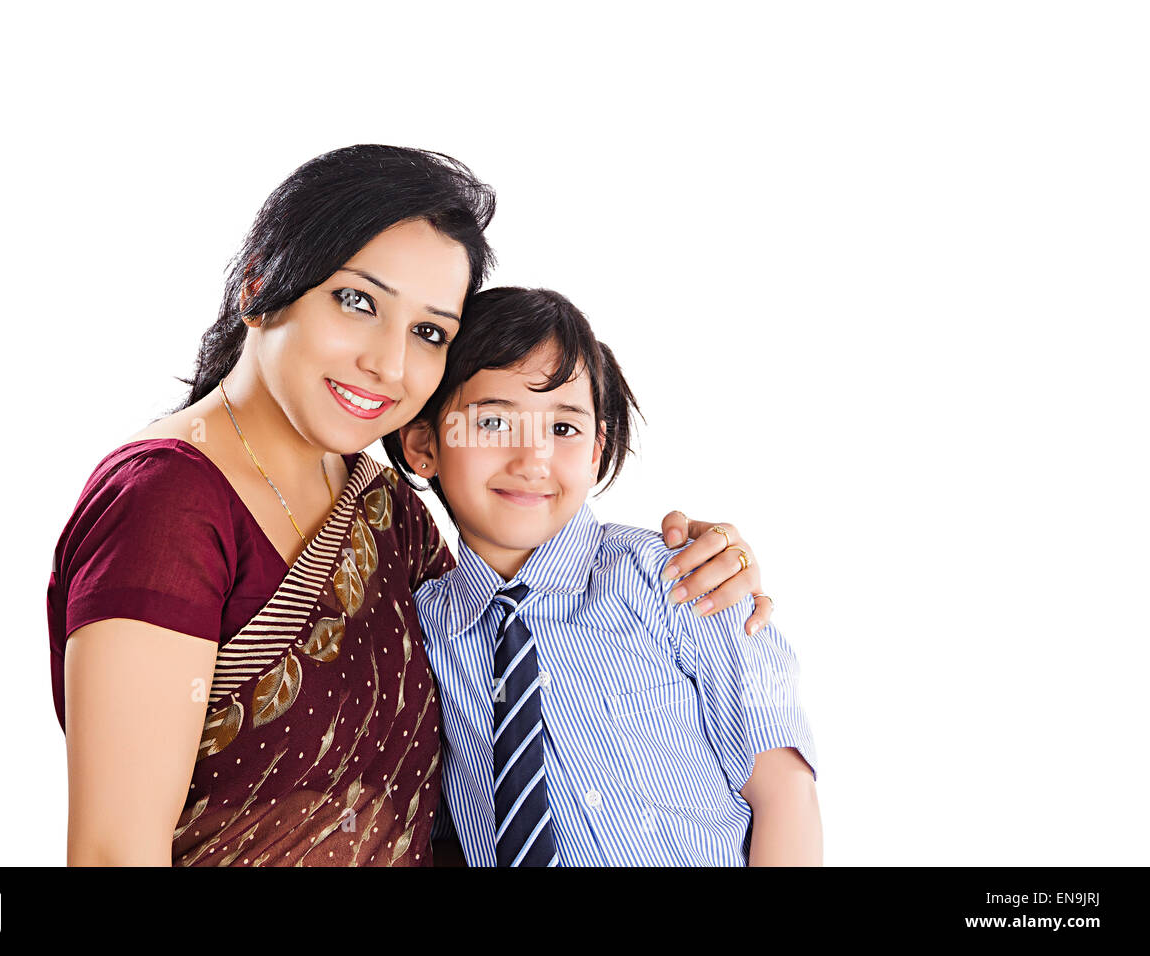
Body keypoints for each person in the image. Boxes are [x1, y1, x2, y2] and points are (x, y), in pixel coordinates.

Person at [47, 145, 780, 867]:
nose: (390, 365)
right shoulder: (166, 503)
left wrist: (699, 567)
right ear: (258, 283)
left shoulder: (390, 512)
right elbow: (115, 850)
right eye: (357, 301)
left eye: (429, 332)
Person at [402, 287, 820, 866]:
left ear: (597, 449)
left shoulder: (678, 578)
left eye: (564, 429)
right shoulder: (420, 629)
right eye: (494, 421)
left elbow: (784, 791)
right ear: (423, 444)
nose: (533, 460)